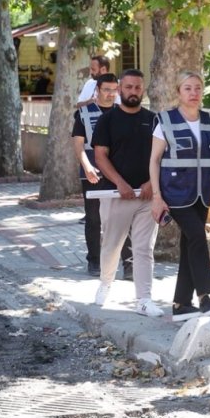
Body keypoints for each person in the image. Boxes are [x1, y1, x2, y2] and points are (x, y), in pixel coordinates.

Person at [149, 71, 210, 322]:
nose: (194, 93)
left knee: (189, 245)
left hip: (202, 194)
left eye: (197, 88)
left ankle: (181, 305)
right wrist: (156, 196)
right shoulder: (165, 120)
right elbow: (153, 160)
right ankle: (205, 295)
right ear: (178, 92)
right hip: (174, 193)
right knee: (197, 236)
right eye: (188, 88)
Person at [91, 69, 163, 317]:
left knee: (144, 248)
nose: (133, 92)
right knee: (112, 245)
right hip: (115, 195)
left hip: (147, 196)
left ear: (143, 89)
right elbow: (100, 156)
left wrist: (152, 183)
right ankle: (105, 283)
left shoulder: (155, 120)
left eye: (138, 87)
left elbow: (162, 156)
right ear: (120, 88)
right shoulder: (107, 120)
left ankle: (144, 299)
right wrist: (119, 183)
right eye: (129, 87)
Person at [71, 73, 133, 278]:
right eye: (106, 89)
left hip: (120, 172)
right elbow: (78, 145)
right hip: (93, 172)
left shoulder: (124, 112)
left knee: (124, 217)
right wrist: (87, 166)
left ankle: (129, 264)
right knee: (94, 218)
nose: (110, 94)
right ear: (97, 90)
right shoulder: (84, 113)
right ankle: (94, 261)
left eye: (114, 90)